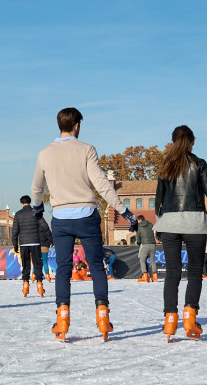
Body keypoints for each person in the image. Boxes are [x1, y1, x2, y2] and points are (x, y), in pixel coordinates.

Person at [30, 107, 135, 341]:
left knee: (64, 269)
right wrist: (123, 210)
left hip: (61, 218)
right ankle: (103, 318)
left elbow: (36, 188)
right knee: (96, 266)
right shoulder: (87, 150)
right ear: (76, 125)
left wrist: (38, 208)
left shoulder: (44, 153)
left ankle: (62, 319)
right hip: (87, 215)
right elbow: (101, 184)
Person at [154, 125, 207, 341]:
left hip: (169, 222)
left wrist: (159, 223)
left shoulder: (165, 165)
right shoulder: (199, 163)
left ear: (172, 142)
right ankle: (189, 317)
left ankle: (170, 320)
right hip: (194, 222)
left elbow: (158, 200)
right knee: (196, 271)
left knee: (172, 272)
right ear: (192, 142)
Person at [11, 195, 45, 297]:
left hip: (24, 244)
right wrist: (50, 237)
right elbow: (44, 225)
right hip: (35, 242)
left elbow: (14, 231)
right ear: (30, 203)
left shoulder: (18, 214)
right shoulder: (35, 212)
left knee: (25, 264)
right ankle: (39, 284)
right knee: (37, 264)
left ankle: (25, 284)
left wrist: (15, 245)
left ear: (21, 203)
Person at [133, 214, 158, 282]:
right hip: (153, 244)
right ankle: (155, 276)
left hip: (145, 244)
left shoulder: (140, 226)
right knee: (152, 261)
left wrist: (138, 242)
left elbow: (138, 237)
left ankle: (145, 276)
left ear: (139, 220)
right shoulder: (150, 224)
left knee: (142, 260)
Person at [38, 216, 53, 282]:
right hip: (45, 247)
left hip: (37, 247)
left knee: (36, 262)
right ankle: (47, 275)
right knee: (45, 262)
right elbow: (50, 236)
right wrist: (51, 242)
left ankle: (34, 275)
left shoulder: (35, 227)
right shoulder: (46, 227)